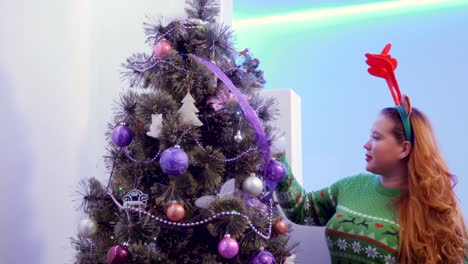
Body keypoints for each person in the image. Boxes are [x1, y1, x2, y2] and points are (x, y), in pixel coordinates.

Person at [275, 45, 468, 263]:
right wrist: (277, 156)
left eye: (377, 137)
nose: (366, 144)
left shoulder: (434, 210)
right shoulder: (351, 186)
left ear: (404, 148)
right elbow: (302, 209)